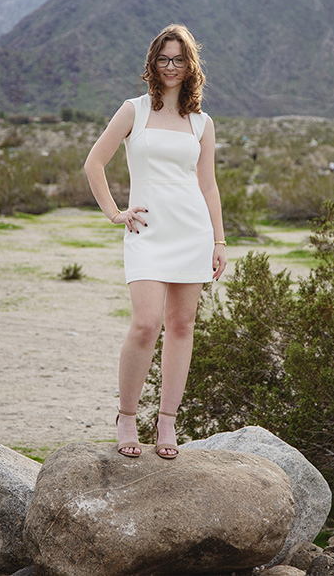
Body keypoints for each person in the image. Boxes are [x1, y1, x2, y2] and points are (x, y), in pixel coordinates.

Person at [84, 24, 227, 460]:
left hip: (192, 231)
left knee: (182, 327)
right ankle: (127, 417)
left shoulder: (201, 123)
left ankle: (167, 424)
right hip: (146, 232)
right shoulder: (133, 111)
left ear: (190, 67)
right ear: (153, 63)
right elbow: (94, 163)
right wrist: (115, 213)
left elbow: (208, 186)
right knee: (146, 325)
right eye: (164, 58)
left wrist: (219, 240)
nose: (171, 66)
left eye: (179, 59)